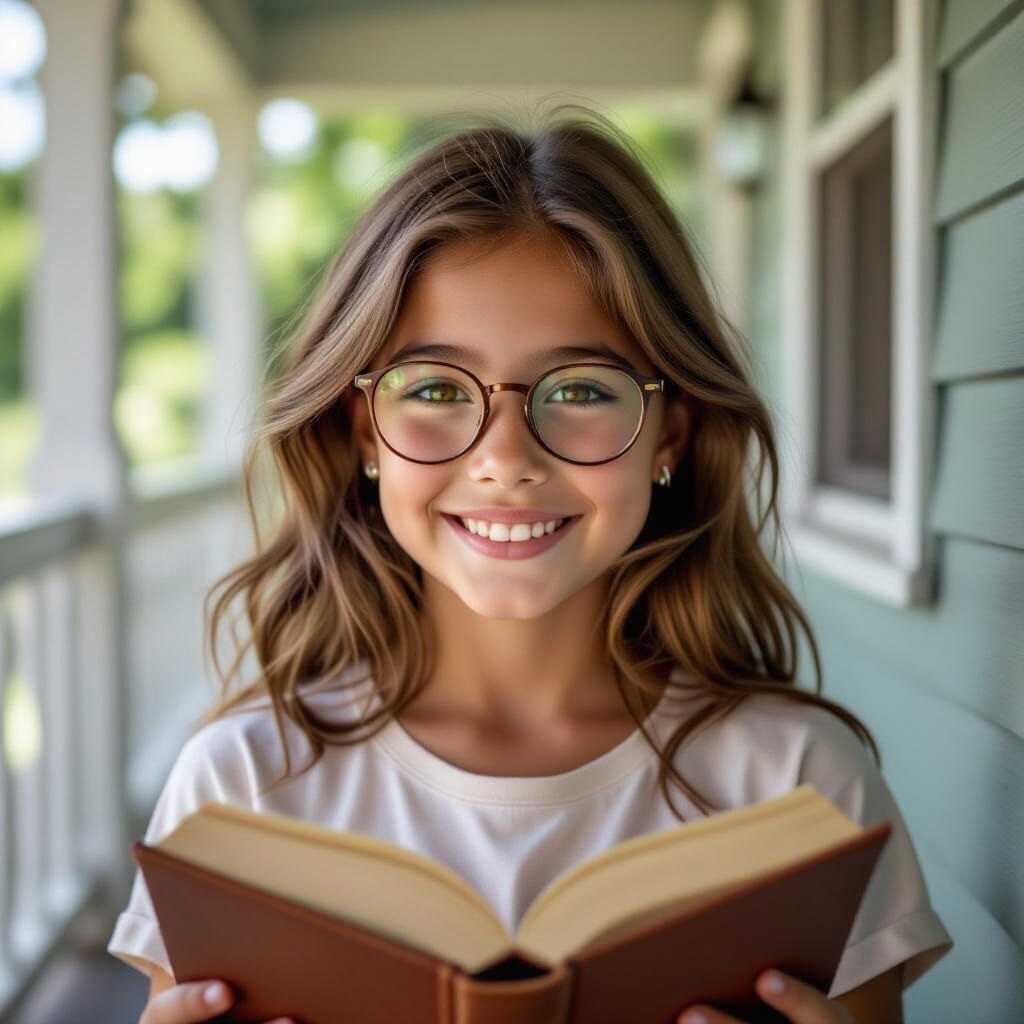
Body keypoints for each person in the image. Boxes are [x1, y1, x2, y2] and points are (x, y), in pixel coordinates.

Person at [107, 104, 952, 1024]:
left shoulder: (799, 788)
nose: (506, 457)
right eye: (433, 388)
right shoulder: (241, 789)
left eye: (582, 388)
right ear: (364, 433)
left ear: (669, 432)